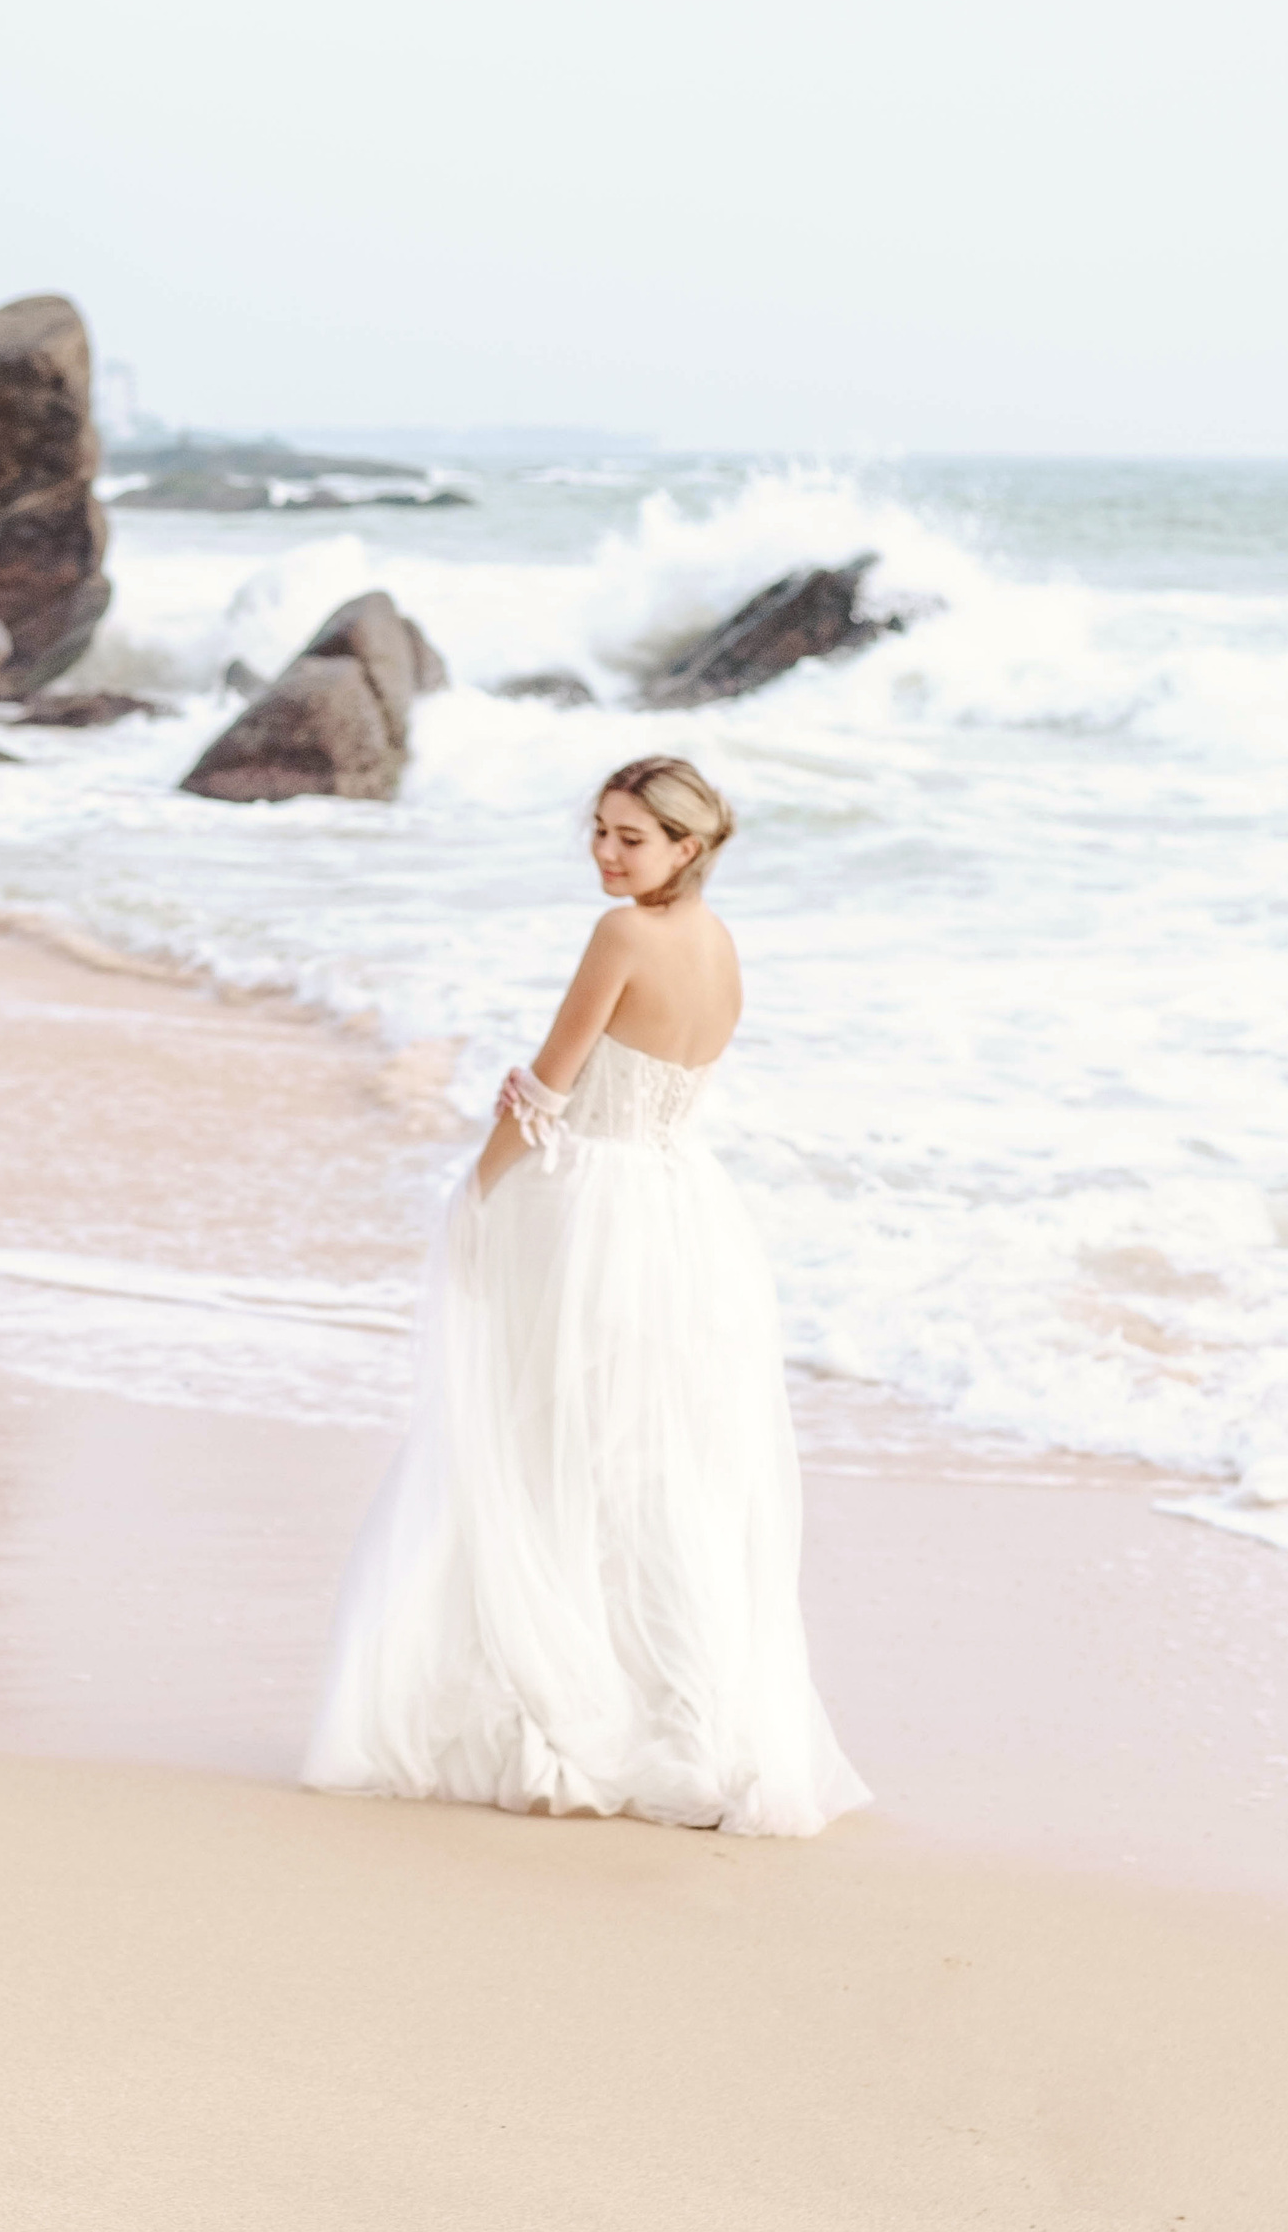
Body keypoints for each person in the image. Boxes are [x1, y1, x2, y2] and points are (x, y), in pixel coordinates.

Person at [304, 756, 869, 1835]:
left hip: (594, 1208)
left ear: (687, 847)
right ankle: (693, 1726)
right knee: (659, 1471)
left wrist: (472, 1195)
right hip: (685, 1209)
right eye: (600, 831)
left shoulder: (623, 937)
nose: (607, 853)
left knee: (556, 1457)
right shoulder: (719, 943)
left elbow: (546, 1088)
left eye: (631, 837)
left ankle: (581, 1716)